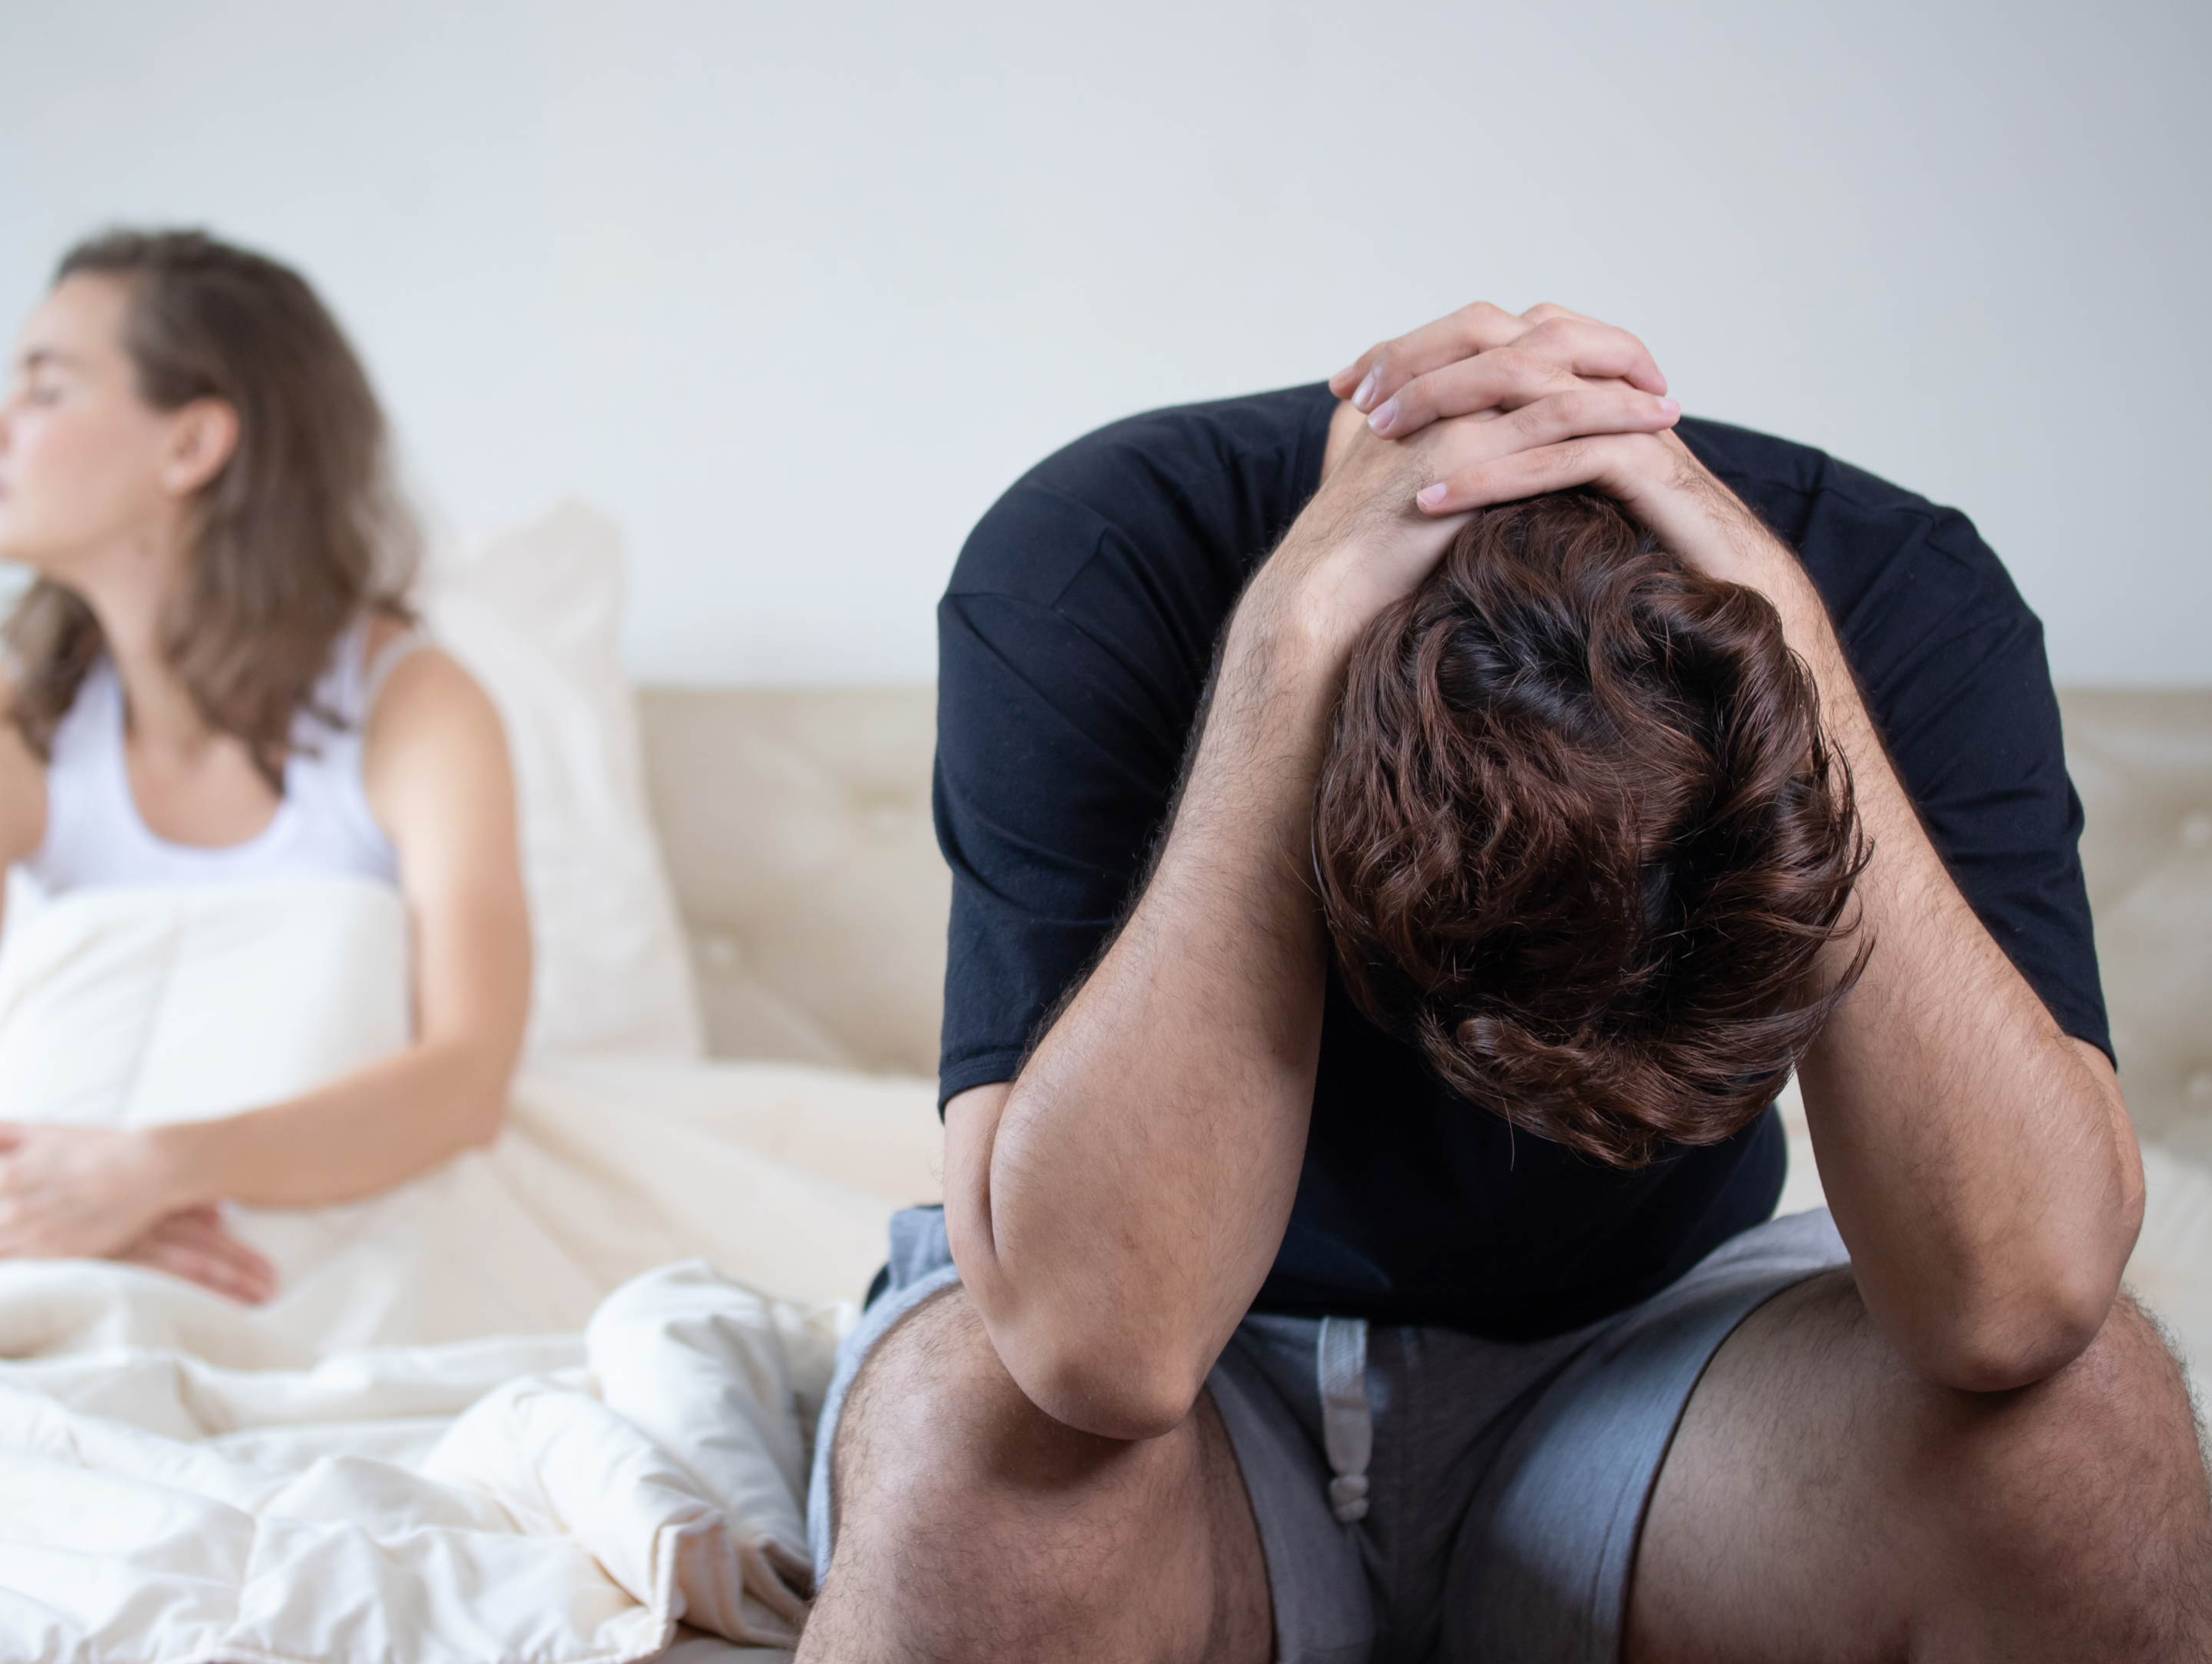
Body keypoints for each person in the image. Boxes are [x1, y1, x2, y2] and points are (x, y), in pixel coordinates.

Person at [797, 304, 2210, 1660]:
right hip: (1204, 1393)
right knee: (970, 1456)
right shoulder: (1099, 553)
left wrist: (1797, 644)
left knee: (2088, 1439)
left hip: (1657, 1379)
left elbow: (2017, 1297)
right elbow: (1092, 1341)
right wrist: (1287, 653)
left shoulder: (1896, 583)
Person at [0, 230, 530, 1307]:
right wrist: (43, 1213)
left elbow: (466, 1081)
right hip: (44, 1236)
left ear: (192, 443)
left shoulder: (419, 709)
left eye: (47, 389)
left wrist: (153, 1174)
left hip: (328, 1237)